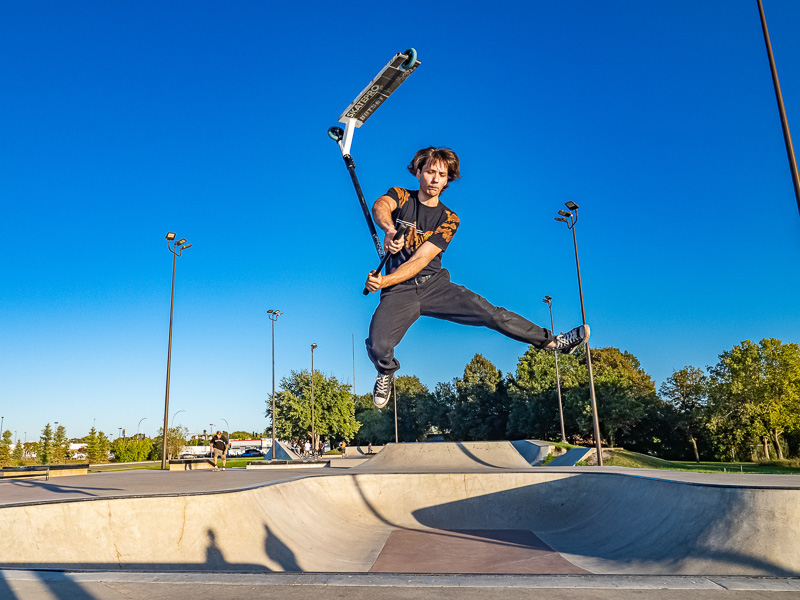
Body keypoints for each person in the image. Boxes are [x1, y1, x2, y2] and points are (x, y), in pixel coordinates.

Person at [364, 146, 590, 408]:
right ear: (418, 172)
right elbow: (381, 205)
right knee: (378, 346)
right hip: (400, 292)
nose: (435, 179)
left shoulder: (450, 219)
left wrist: (383, 281)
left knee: (493, 315)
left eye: (442, 175)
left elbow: (420, 260)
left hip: (435, 286)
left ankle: (554, 342)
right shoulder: (402, 196)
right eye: (430, 172)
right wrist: (390, 229)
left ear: (448, 179)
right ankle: (386, 371)